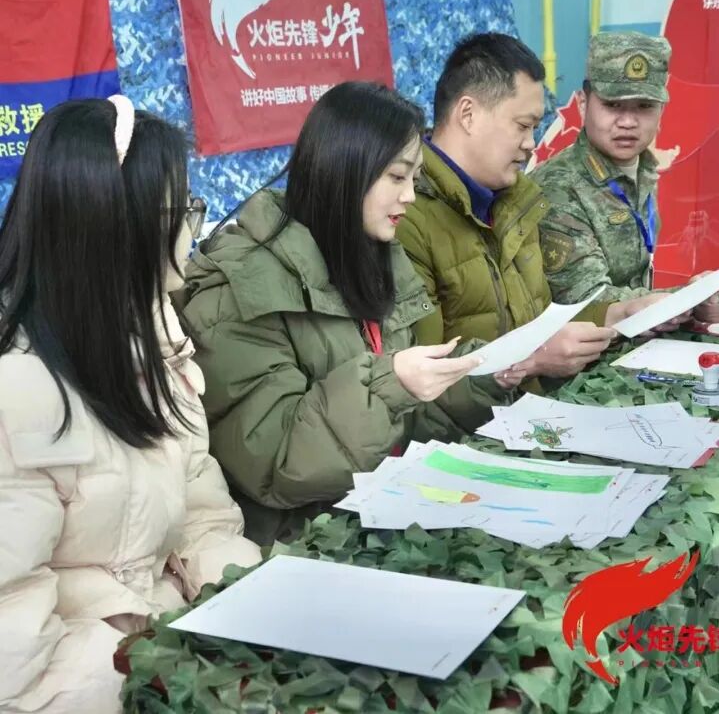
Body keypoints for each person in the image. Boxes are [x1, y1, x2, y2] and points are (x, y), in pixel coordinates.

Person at [177, 82, 526, 546]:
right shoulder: (239, 288)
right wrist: (391, 384)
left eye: (415, 178)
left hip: (379, 514)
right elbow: (277, 462)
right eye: (396, 177)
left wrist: (481, 377)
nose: (410, 196)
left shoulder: (370, 257)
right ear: (344, 171)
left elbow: (399, 420)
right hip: (302, 544)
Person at [0, 97, 260, 713]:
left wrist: (252, 616)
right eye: (182, 210)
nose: (195, 229)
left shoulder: (159, 344)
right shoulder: (19, 392)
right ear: (116, 226)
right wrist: (161, 679)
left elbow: (205, 520)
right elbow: (15, 651)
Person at [396, 33, 679, 382]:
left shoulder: (516, 199)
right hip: (480, 415)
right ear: (468, 114)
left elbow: (539, 320)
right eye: (522, 126)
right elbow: (416, 379)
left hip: (528, 406)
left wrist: (619, 313)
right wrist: (531, 360)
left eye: (644, 107)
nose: (531, 143)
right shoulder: (405, 217)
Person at [531, 31, 671, 303]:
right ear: (583, 104)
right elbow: (589, 300)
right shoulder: (558, 188)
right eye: (613, 105)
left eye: (644, 106)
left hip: (642, 326)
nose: (628, 122)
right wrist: (689, 298)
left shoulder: (643, 170)